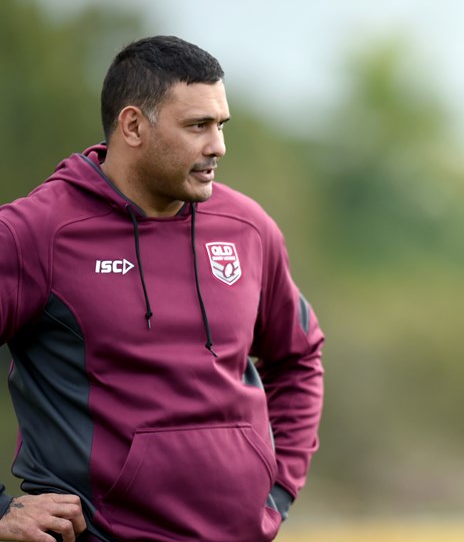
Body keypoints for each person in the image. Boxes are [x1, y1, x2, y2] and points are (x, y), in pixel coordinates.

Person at [0, 35, 324, 542]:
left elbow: (299, 358)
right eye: (198, 126)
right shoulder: (36, 233)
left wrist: (277, 491)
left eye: (221, 125)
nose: (217, 145)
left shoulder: (249, 228)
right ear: (133, 126)